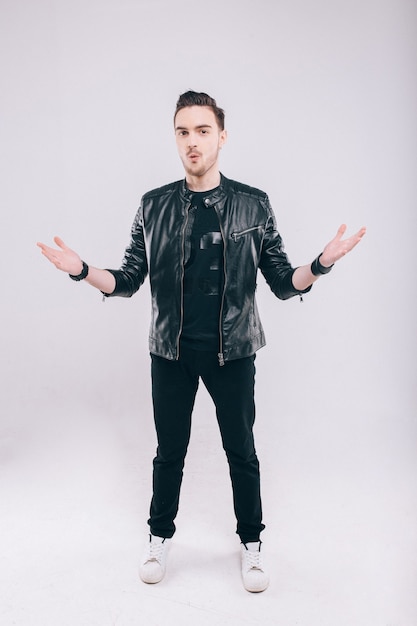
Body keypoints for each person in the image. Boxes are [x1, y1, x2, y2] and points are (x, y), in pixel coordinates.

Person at [37, 90, 366, 593]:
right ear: (176, 138)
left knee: (242, 451)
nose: (192, 143)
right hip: (170, 352)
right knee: (170, 451)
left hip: (234, 352)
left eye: (203, 131)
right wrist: (82, 270)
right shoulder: (154, 205)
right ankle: (158, 537)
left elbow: (281, 282)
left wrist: (321, 263)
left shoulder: (253, 204)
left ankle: (252, 544)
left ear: (222, 137)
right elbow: (128, 278)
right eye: (183, 132)